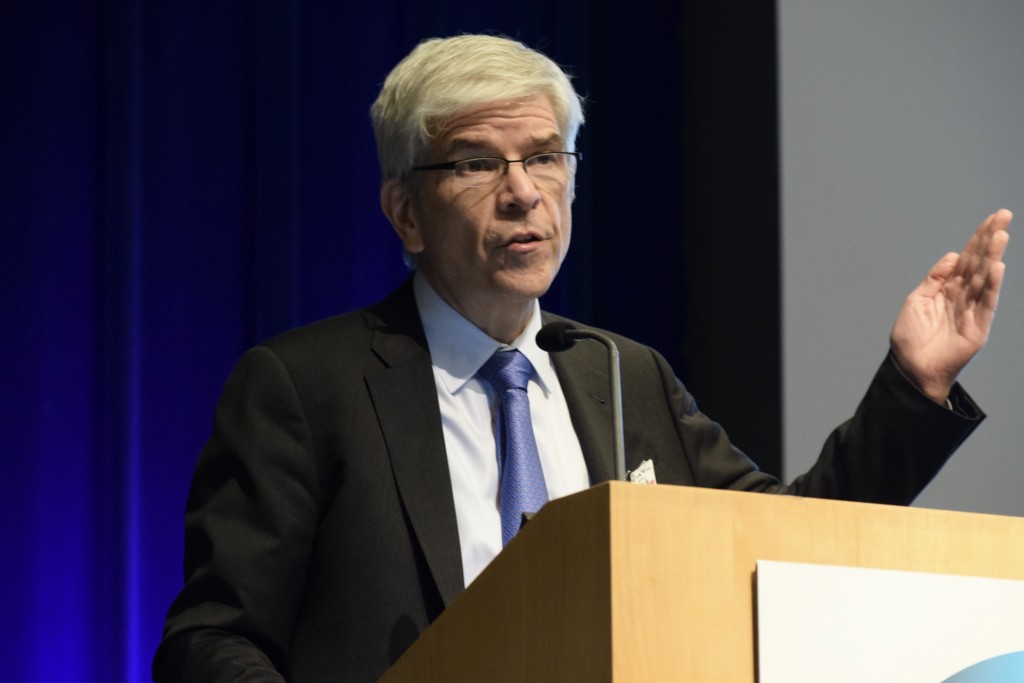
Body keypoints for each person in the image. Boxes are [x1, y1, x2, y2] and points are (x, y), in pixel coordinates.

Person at [152, 34, 1012, 682]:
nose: (524, 192)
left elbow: (787, 546)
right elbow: (211, 640)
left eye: (544, 157)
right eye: (478, 163)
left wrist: (915, 384)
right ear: (406, 212)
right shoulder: (307, 387)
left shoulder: (621, 375)